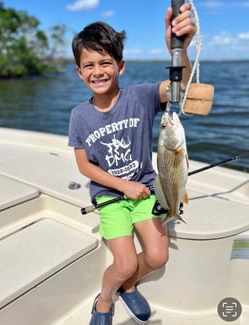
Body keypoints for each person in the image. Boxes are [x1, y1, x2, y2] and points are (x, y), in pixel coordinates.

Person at [68, 2, 195, 324]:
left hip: (147, 190)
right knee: (124, 263)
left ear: (121, 66)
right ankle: (105, 299)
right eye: (89, 65)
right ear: (79, 71)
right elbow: (85, 167)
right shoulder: (78, 116)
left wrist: (180, 51)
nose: (98, 71)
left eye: (106, 62)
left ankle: (127, 287)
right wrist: (123, 185)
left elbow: (184, 89)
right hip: (111, 197)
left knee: (157, 255)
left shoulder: (140, 97)